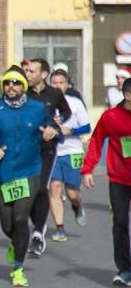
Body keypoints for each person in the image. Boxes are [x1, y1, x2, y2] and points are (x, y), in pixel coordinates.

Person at [0, 67, 59, 287]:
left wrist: (51, 131)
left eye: (16, 82)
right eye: (7, 83)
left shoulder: (38, 108)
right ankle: (15, 243)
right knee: (7, 225)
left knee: (21, 219)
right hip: (3, 173)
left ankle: (18, 268)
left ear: (24, 86)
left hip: (29, 171)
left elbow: (53, 126)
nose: (11, 86)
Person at [82, 77, 131, 286]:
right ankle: (125, 269)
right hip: (119, 178)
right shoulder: (110, 117)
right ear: (128, 95)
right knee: (120, 222)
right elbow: (96, 140)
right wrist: (87, 170)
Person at [23, 58, 72, 257]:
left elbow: (66, 112)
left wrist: (57, 124)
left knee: (42, 187)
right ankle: (38, 222)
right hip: (26, 147)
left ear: (43, 74)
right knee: (30, 190)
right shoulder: (22, 94)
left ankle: (37, 232)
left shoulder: (54, 94)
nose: (27, 74)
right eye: (26, 71)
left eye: (31, 71)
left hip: (47, 147)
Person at [47, 69, 91, 241]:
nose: (58, 86)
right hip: (52, 153)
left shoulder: (76, 103)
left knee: (72, 192)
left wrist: (70, 130)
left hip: (73, 151)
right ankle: (59, 228)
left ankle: (77, 206)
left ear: (67, 85)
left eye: (61, 83)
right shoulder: (46, 103)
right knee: (54, 188)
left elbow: (87, 127)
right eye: (54, 83)